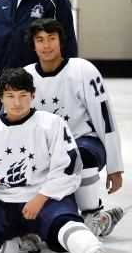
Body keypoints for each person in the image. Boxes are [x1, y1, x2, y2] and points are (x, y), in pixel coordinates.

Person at [0, 68, 124, 253]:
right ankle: (19, 241)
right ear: (1, 97)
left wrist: (41, 197)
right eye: (10, 96)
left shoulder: (51, 123)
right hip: (1, 201)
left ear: (32, 95)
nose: (17, 103)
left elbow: (68, 166)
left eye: (23, 96)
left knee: (64, 234)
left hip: (45, 198)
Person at [24, 19, 127, 236]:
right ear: (33, 45)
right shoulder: (26, 76)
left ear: (61, 41)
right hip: (45, 148)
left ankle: (93, 213)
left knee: (81, 157)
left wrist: (115, 166)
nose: (47, 45)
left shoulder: (83, 70)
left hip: (84, 140)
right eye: (40, 40)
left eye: (52, 38)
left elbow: (104, 118)